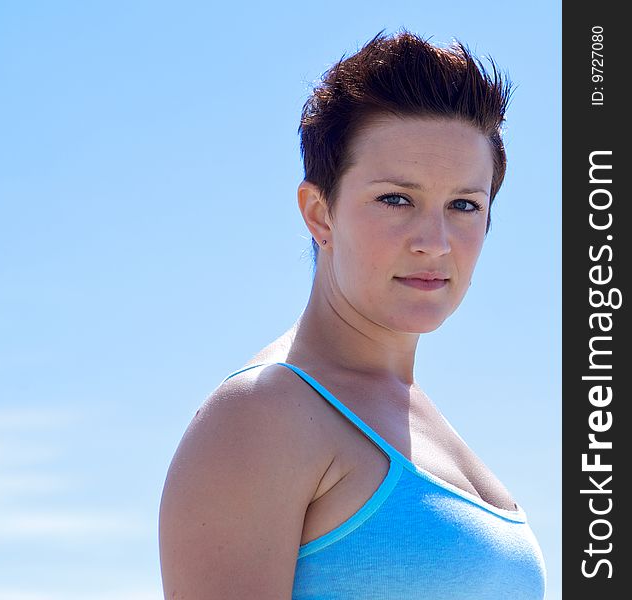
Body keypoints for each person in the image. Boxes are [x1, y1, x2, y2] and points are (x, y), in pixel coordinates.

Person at [158, 29, 547, 599]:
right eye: (396, 199)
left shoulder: (421, 421)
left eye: (464, 205)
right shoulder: (263, 416)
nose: (434, 241)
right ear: (320, 213)